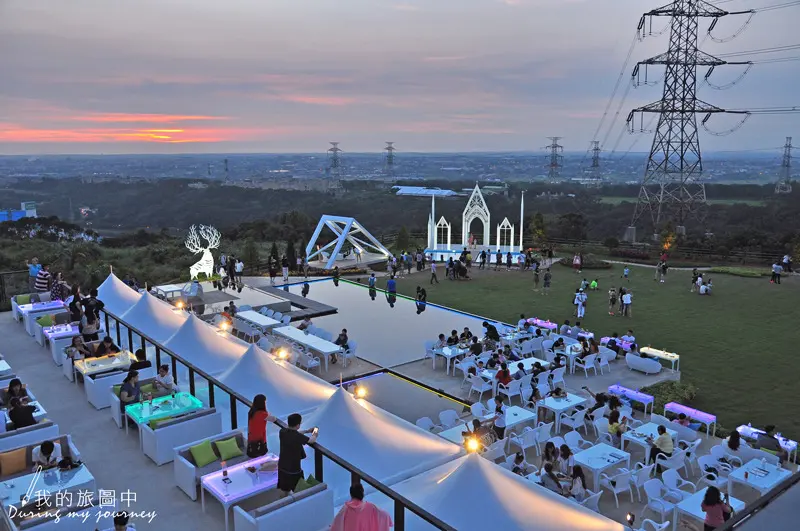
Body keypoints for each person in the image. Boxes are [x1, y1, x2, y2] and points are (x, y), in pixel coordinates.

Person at [277, 413, 318, 494]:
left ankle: (285, 500)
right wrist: (315, 434)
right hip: (293, 469)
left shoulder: (282, 431)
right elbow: (311, 440)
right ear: (298, 425)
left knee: (285, 488)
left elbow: (295, 433)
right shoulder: (297, 437)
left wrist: (306, 431)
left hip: (282, 466)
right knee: (298, 489)